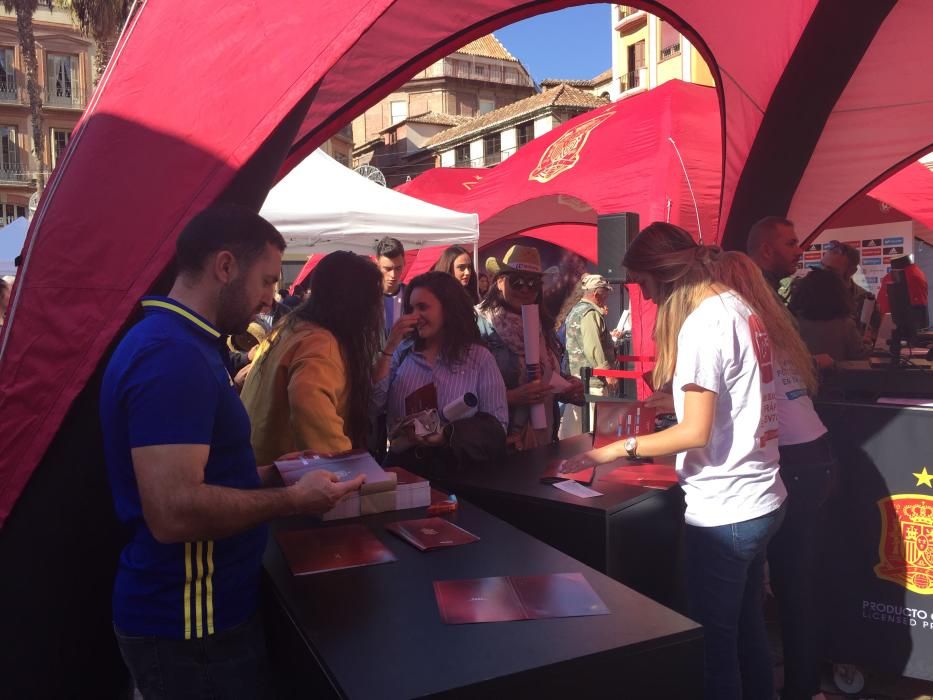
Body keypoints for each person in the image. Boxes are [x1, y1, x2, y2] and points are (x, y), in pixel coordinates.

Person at [99, 204, 364, 698]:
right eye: (266, 280)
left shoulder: (183, 343)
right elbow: (174, 512)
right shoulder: (171, 355)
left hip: (198, 619)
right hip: (191, 626)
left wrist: (269, 474)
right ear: (225, 266)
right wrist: (292, 500)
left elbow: (201, 475)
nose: (273, 296)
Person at [561, 222, 813, 700]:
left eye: (645, 286)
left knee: (713, 651)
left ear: (667, 275)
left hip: (726, 511)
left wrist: (612, 450)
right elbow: (730, 406)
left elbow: (694, 433)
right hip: (761, 497)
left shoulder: (703, 323)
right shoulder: (740, 308)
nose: (648, 300)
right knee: (746, 635)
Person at [717, 251, 837, 700]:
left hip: (794, 464)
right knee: (795, 583)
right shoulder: (774, 326)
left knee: (785, 587)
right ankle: (798, 684)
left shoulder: (737, 330)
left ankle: (798, 689)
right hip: (815, 455)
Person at [241, 251, 386, 464]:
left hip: (255, 464)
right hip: (279, 481)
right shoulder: (320, 343)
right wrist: (345, 469)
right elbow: (309, 406)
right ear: (358, 304)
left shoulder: (291, 326)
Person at [374, 272, 508, 470]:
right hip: (405, 470)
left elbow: (497, 427)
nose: (414, 316)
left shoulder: (479, 358)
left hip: (458, 473)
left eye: (423, 307)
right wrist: (389, 348)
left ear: (448, 308)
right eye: (411, 309)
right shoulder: (402, 352)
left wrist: (447, 434)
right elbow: (375, 404)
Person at [477, 244, 583, 450]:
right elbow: (462, 391)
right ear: (499, 282)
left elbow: (546, 376)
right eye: (517, 282)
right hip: (499, 442)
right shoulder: (479, 323)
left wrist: (568, 386)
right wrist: (511, 397)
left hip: (542, 440)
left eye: (532, 283)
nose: (525, 289)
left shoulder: (542, 325)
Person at [558, 274, 619, 439]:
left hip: (576, 378)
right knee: (593, 430)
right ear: (596, 293)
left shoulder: (576, 309)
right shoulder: (590, 313)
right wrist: (608, 374)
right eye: (605, 293)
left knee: (573, 430)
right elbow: (593, 347)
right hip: (591, 381)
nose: (607, 297)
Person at [788, 267, 869, 361]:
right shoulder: (845, 324)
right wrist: (868, 343)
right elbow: (860, 356)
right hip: (838, 375)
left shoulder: (792, 322)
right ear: (839, 293)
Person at [746, 216, 803, 300]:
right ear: (767, 251)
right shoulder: (753, 298)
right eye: (791, 244)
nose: (799, 252)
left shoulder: (751, 287)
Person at [819, 239, 875, 325]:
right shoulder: (807, 294)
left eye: (830, 270)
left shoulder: (865, 301)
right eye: (821, 266)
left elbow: (874, 335)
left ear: (852, 271)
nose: (822, 273)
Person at [376, 236, 407, 335]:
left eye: (398, 268)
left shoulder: (411, 295)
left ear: (404, 263)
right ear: (377, 265)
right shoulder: (367, 297)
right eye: (387, 269)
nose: (393, 275)